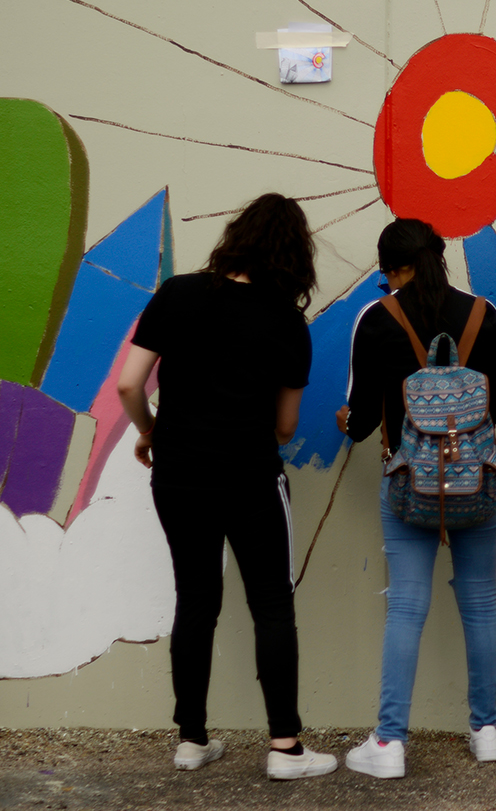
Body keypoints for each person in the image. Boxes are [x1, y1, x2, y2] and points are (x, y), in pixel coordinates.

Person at [117, 192, 337, 780]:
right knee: (271, 602)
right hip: (249, 476)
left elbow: (128, 385)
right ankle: (285, 748)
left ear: (235, 237)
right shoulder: (288, 323)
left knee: (196, 599)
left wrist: (152, 432)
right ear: (294, 257)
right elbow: (286, 426)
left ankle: (191, 739)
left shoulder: (179, 294)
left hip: (180, 472)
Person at [337, 218, 496, 779]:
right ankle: (486, 731)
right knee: (481, 600)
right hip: (477, 481)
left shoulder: (377, 318)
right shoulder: (484, 314)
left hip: (407, 484)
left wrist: (349, 420)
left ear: (394, 268)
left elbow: (362, 421)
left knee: (407, 607)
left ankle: (389, 745)